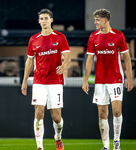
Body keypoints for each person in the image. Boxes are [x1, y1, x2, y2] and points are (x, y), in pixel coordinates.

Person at [82, 9, 134, 150]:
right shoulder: (93, 37)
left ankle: (116, 142)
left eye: (97, 19)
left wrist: (129, 77)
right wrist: (85, 80)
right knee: (102, 113)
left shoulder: (118, 36)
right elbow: (90, 60)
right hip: (100, 81)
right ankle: (106, 146)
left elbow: (127, 58)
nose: (95, 22)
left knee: (116, 111)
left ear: (106, 20)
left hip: (116, 78)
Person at [21, 9, 71, 150]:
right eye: (41, 18)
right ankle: (39, 146)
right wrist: (24, 81)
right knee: (38, 113)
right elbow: (29, 61)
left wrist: (64, 66)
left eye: (46, 18)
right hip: (39, 81)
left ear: (51, 20)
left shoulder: (60, 37)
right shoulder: (33, 39)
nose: (43, 21)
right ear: (39, 21)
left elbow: (68, 58)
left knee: (56, 118)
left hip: (55, 82)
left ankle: (58, 137)